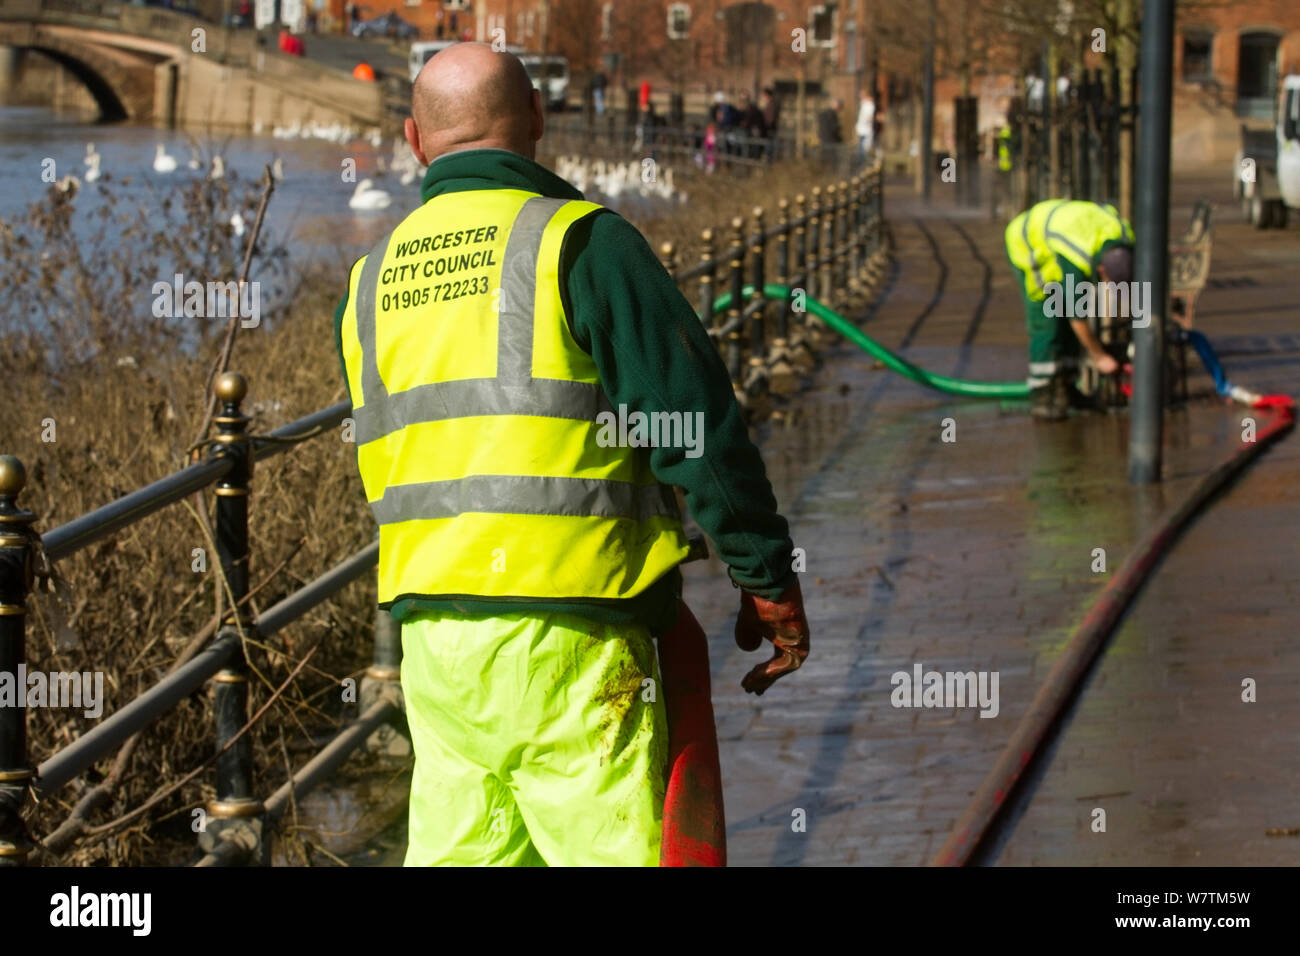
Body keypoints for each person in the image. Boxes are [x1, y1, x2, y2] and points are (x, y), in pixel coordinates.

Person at [334, 44, 809, 867]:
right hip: (573, 639)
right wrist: (764, 575)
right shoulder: (580, 244)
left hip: (435, 648)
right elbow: (690, 424)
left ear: (415, 140)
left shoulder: (369, 281)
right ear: (539, 124)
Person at [1004, 199, 1134, 420]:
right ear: (1101, 269)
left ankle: (1068, 387)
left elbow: (1141, 293)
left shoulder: (1127, 241)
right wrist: (1100, 356)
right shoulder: (1076, 257)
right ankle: (1043, 394)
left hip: (1061, 229)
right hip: (1028, 243)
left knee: (1069, 317)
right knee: (1050, 319)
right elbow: (1077, 318)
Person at [854, 87, 875, 164]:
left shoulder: (869, 105)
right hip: (861, 130)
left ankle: (863, 163)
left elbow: (869, 117)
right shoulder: (863, 103)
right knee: (860, 148)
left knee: (864, 149)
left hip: (866, 130)